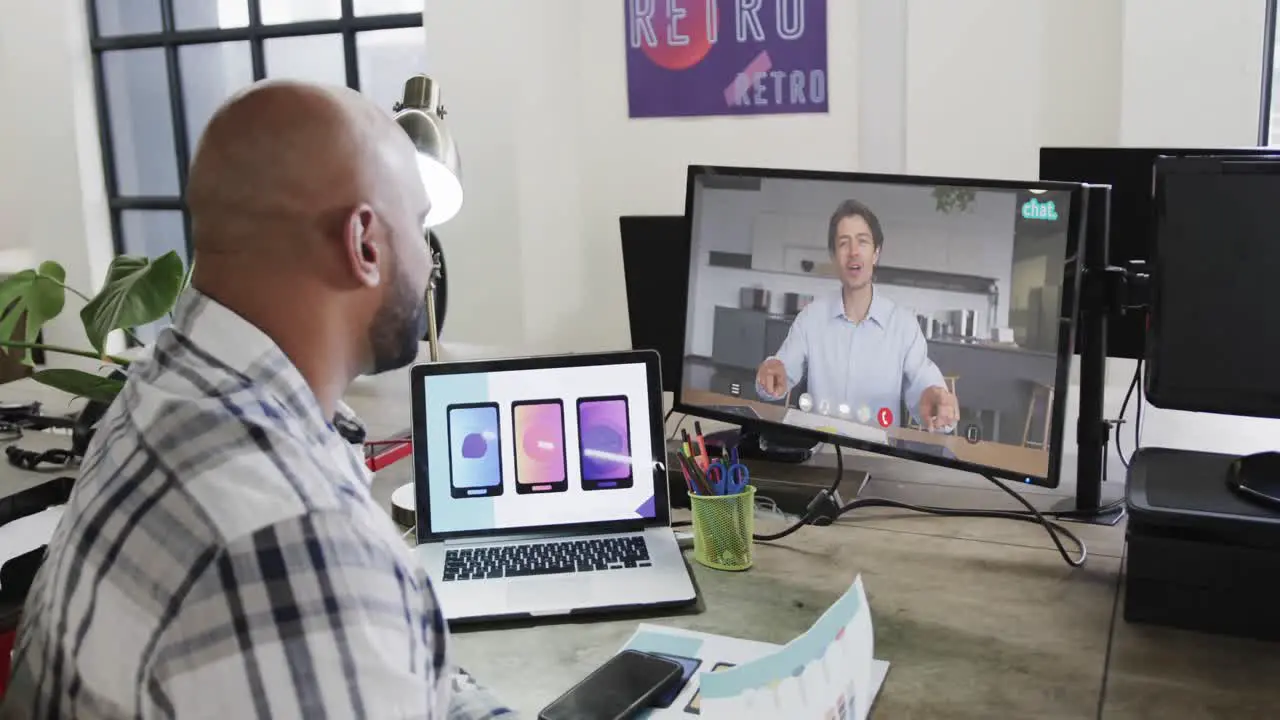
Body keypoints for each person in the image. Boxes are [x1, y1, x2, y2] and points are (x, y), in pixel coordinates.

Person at [1, 81, 514, 719]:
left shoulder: (160, 395)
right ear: (364, 243)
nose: (429, 262)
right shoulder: (295, 543)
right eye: (416, 225)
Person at [756, 199, 959, 431]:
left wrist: (935, 403)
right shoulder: (811, 318)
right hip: (819, 454)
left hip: (879, 459)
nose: (853, 252)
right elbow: (779, 374)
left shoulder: (903, 325)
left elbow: (924, 386)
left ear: (876, 254)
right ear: (834, 257)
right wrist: (771, 376)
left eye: (862, 242)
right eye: (844, 243)